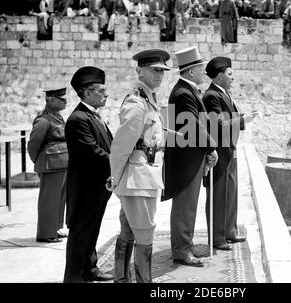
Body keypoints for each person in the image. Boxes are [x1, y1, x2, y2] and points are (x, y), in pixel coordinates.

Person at [107, 49, 171, 283]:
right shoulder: (137, 102)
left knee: (128, 230)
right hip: (138, 179)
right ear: (139, 71)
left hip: (144, 176)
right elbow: (121, 145)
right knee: (144, 235)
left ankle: (121, 279)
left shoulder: (148, 99)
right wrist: (114, 177)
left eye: (162, 71)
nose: (159, 75)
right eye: (154, 70)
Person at [162, 46, 218, 268]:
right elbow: (193, 126)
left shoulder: (188, 90)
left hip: (192, 155)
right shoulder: (184, 93)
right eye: (201, 68)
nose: (204, 72)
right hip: (187, 158)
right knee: (185, 205)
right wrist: (211, 147)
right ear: (191, 71)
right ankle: (181, 250)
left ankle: (186, 244)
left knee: (189, 205)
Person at [63, 66, 114, 283]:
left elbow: (108, 145)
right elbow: (94, 152)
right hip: (85, 187)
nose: (106, 94)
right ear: (87, 92)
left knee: (93, 229)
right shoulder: (78, 119)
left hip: (98, 185)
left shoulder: (93, 116)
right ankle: (74, 277)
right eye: (101, 90)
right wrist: (118, 161)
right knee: (80, 232)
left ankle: (89, 269)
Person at [202, 57, 257, 251]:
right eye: (230, 74)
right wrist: (243, 120)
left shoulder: (224, 93)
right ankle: (217, 237)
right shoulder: (211, 96)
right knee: (218, 194)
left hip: (229, 149)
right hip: (219, 150)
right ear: (219, 76)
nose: (233, 78)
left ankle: (229, 230)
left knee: (231, 191)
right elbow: (218, 124)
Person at [27, 88, 68, 243]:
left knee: (59, 200)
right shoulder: (43, 120)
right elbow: (33, 145)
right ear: (50, 100)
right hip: (50, 165)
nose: (65, 101)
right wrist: (39, 162)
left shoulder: (57, 117)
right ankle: (45, 233)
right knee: (49, 200)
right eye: (61, 99)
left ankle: (54, 229)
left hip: (61, 164)